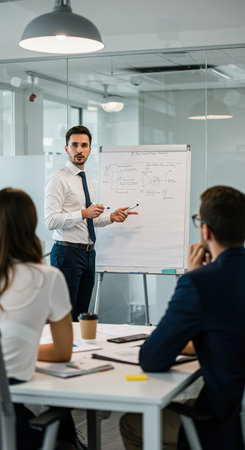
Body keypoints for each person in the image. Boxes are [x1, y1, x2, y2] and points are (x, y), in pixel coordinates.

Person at [120, 185, 245, 450]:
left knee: (132, 423)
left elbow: (152, 359)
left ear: (205, 230)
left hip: (222, 421)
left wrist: (193, 275)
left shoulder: (199, 283)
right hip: (238, 409)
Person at [0, 187, 77, 450]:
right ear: (31, 224)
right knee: (63, 430)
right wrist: (26, 349)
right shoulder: (47, 277)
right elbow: (63, 351)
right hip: (10, 425)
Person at [45, 125, 137, 320]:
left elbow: (87, 220)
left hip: (88, 255)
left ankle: (78, 350)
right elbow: (51, 220)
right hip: (67, 254)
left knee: (81, 315)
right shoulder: (58, 179)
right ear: (66, 148)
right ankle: (62, 351)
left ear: (89, 149)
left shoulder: (87, 180)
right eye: (75, 145)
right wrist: (83, 213)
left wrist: (111, 217)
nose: (79, 150)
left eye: (84, 145)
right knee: (63, 317)